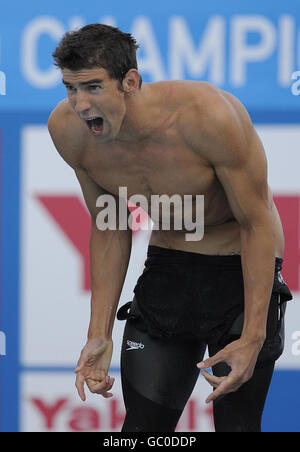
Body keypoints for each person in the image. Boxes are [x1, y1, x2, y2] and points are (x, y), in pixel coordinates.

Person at [48, 24, 292, 432]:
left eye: (92, 87)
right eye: (71, 88)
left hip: (240, 274)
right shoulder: (70, 132)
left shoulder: (208, 115)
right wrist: (98, 333)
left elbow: (256, 223)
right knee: (141, 432)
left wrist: (252, 335)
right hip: (168, 272)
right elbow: (111, 224)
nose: (80, 103)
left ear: (130, 82)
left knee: (238, 427)